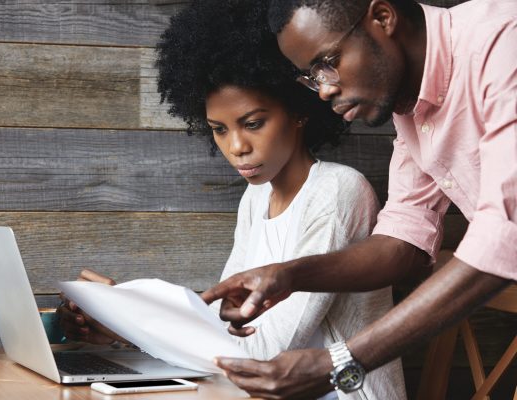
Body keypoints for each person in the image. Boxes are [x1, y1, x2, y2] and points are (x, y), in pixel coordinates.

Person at [58, 0, 407, 398]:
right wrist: (117, 323)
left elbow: (263, 353)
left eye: (253, 123)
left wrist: (134, 317)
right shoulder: (255, 198)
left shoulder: (338, 191)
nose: (236, 146)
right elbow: (220, 327)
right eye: (219, 130)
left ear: (299, 111)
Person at [201, 0, 516, 398]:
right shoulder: (411, 107)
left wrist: (343, 360)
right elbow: (403, 242)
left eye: (329, 61)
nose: (326, 89)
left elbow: (504, 236)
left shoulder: (503, 43)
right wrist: (291, 275)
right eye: (313, 77)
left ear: (382, 17)